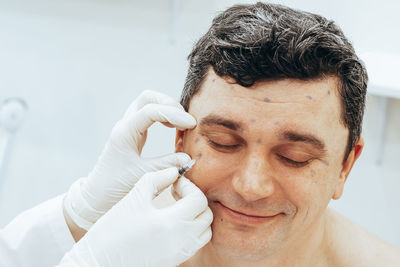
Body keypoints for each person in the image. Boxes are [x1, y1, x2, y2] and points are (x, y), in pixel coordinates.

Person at [171, 2, 400, 266]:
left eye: (295, 158)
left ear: (345, 167)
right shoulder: (121, 242)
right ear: (180, 138)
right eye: (223, 143)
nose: (251, 187)